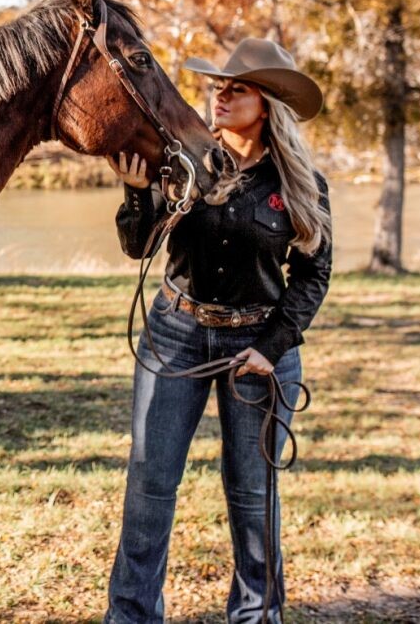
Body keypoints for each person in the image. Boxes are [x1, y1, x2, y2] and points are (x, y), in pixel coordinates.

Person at [103, 38, 333, 624]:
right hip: (175, 336)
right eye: (219, 86)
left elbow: (312, 277)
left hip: (258, 350)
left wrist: (271, 348)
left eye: (238, 88)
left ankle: (256, 617)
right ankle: (130, 617)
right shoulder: (181, 162)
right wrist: (137, 194)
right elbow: (139, 246)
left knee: (254, 499)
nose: (221, 95)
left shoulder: (303, 184)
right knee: (150, 489)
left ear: (268, 104)